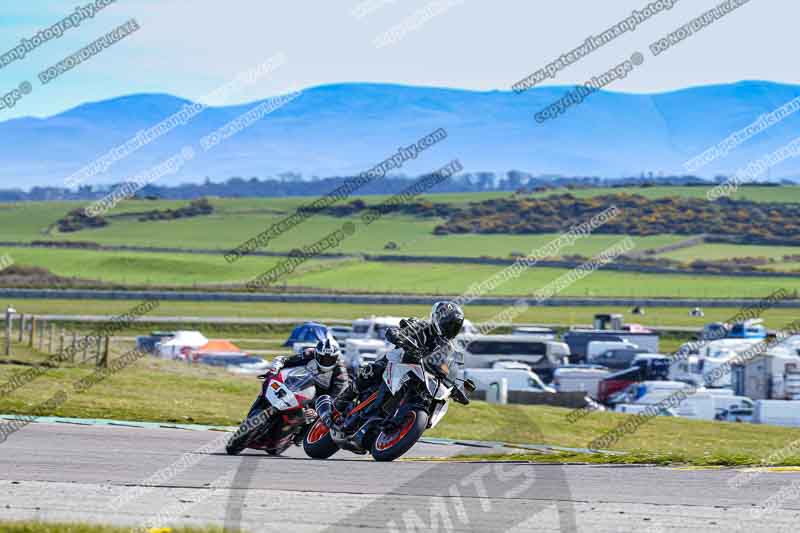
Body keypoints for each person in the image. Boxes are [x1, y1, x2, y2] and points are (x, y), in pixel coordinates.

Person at [321, 301, 469, 429]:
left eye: (454, 326)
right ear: (438, 319)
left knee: (430, 398)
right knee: (371, 371)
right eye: (448, 324)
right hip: (400, 361)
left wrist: (458, 387)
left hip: (424, 375)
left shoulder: (451, 349)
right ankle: (336, 407)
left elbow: (453, 368)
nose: (450, 328)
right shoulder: (421, 326)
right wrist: (398, 335)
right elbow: (401, 329)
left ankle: (395, 421)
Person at [271, 337, 350, 404]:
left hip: (319, 401)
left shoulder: (341, 371)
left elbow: (338, 396)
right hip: (298, 388)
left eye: (330, 359)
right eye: (324, 358)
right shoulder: (309, 353)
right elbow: (287, 360)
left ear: (336, 358)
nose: (327, 362)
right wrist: (276, 366)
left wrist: (320, 408)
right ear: (316, 354)